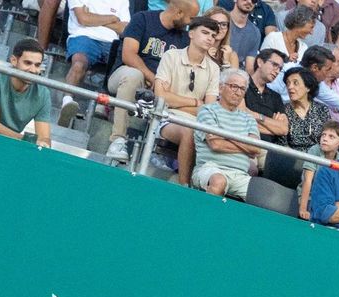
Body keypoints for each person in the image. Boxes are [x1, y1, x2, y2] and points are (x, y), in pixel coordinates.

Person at [105, 0, 196, 163]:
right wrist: (151, 77)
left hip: (159, 89)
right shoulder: (143, 19)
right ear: (179, 13)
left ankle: (162, 157)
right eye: (191, 18)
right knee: (134, 75)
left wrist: (160, 82)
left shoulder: (184, 39)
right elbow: (128, 55)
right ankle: (118, 140)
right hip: (124, 76)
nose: (191, 23)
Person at [153, 17, 221, 183]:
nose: (209, 38)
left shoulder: (214, 68)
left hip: (198, 122)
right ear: (191, 33)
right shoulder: (171, 56)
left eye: (213, 35)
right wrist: (196, 103)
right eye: (205, 32)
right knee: (189, 132)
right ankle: (184, 185)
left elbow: (209, 109)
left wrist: (176, 101)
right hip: (165, 117)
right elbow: (160, 97)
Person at [0, 38, 52, 147]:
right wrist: (26, 140)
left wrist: (44, 144)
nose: (33, 70)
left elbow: (44, 137)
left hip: (6, 144)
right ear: (13, 60)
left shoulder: (43, 93)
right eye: (28, 63)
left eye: (37, 65)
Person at [190, 68, 261, 197]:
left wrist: (226, 137)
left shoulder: (249, 118)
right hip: (210, 169)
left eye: (242, 89)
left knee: (263, 196)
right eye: (234, 87)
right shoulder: (207, 111)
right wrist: (245, 146)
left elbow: (256, 149)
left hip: (240, 175)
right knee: (219, 181)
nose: (238, 92)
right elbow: (216, 145)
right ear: (221, 88)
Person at [58, 0, 130, 126]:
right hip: (83, 37)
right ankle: (67, 102)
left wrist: (94, 18)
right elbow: (83, 19)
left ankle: (105, 105)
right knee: (79, 64)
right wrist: (112, 19)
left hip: (112, 43)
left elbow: (125, 29)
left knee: (125, 67)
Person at [296, 118, 339, 219]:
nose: (325, 139)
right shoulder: (314, 150)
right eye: (323, 135)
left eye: (331, 137)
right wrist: (303, 209)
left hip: (328, 201)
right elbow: (307, 181)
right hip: (309, 197)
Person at [244, 47, 288, 142]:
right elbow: (239, 118)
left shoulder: (276, 97)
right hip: (243, 143)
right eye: (274, 65)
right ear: (260, 62)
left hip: (269, 150)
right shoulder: (242, 85)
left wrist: (255, 116)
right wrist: (273, 126)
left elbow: (284, 129)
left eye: (280, 68)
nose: (277, 71)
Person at [281, 64, 328, 149]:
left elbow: (328, 137)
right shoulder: (283, 109)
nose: (290, 87)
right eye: (288, 83)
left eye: (295, 83)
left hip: (317, 157)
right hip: (292, 157)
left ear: (308, 87)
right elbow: (281, 143)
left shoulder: (322, 109)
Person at [222, 0, 264, 70]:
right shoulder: (222, 21)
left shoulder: (255, 32)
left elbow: (249, 67)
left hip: (237, 74)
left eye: (254, 0)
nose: (249, 2)